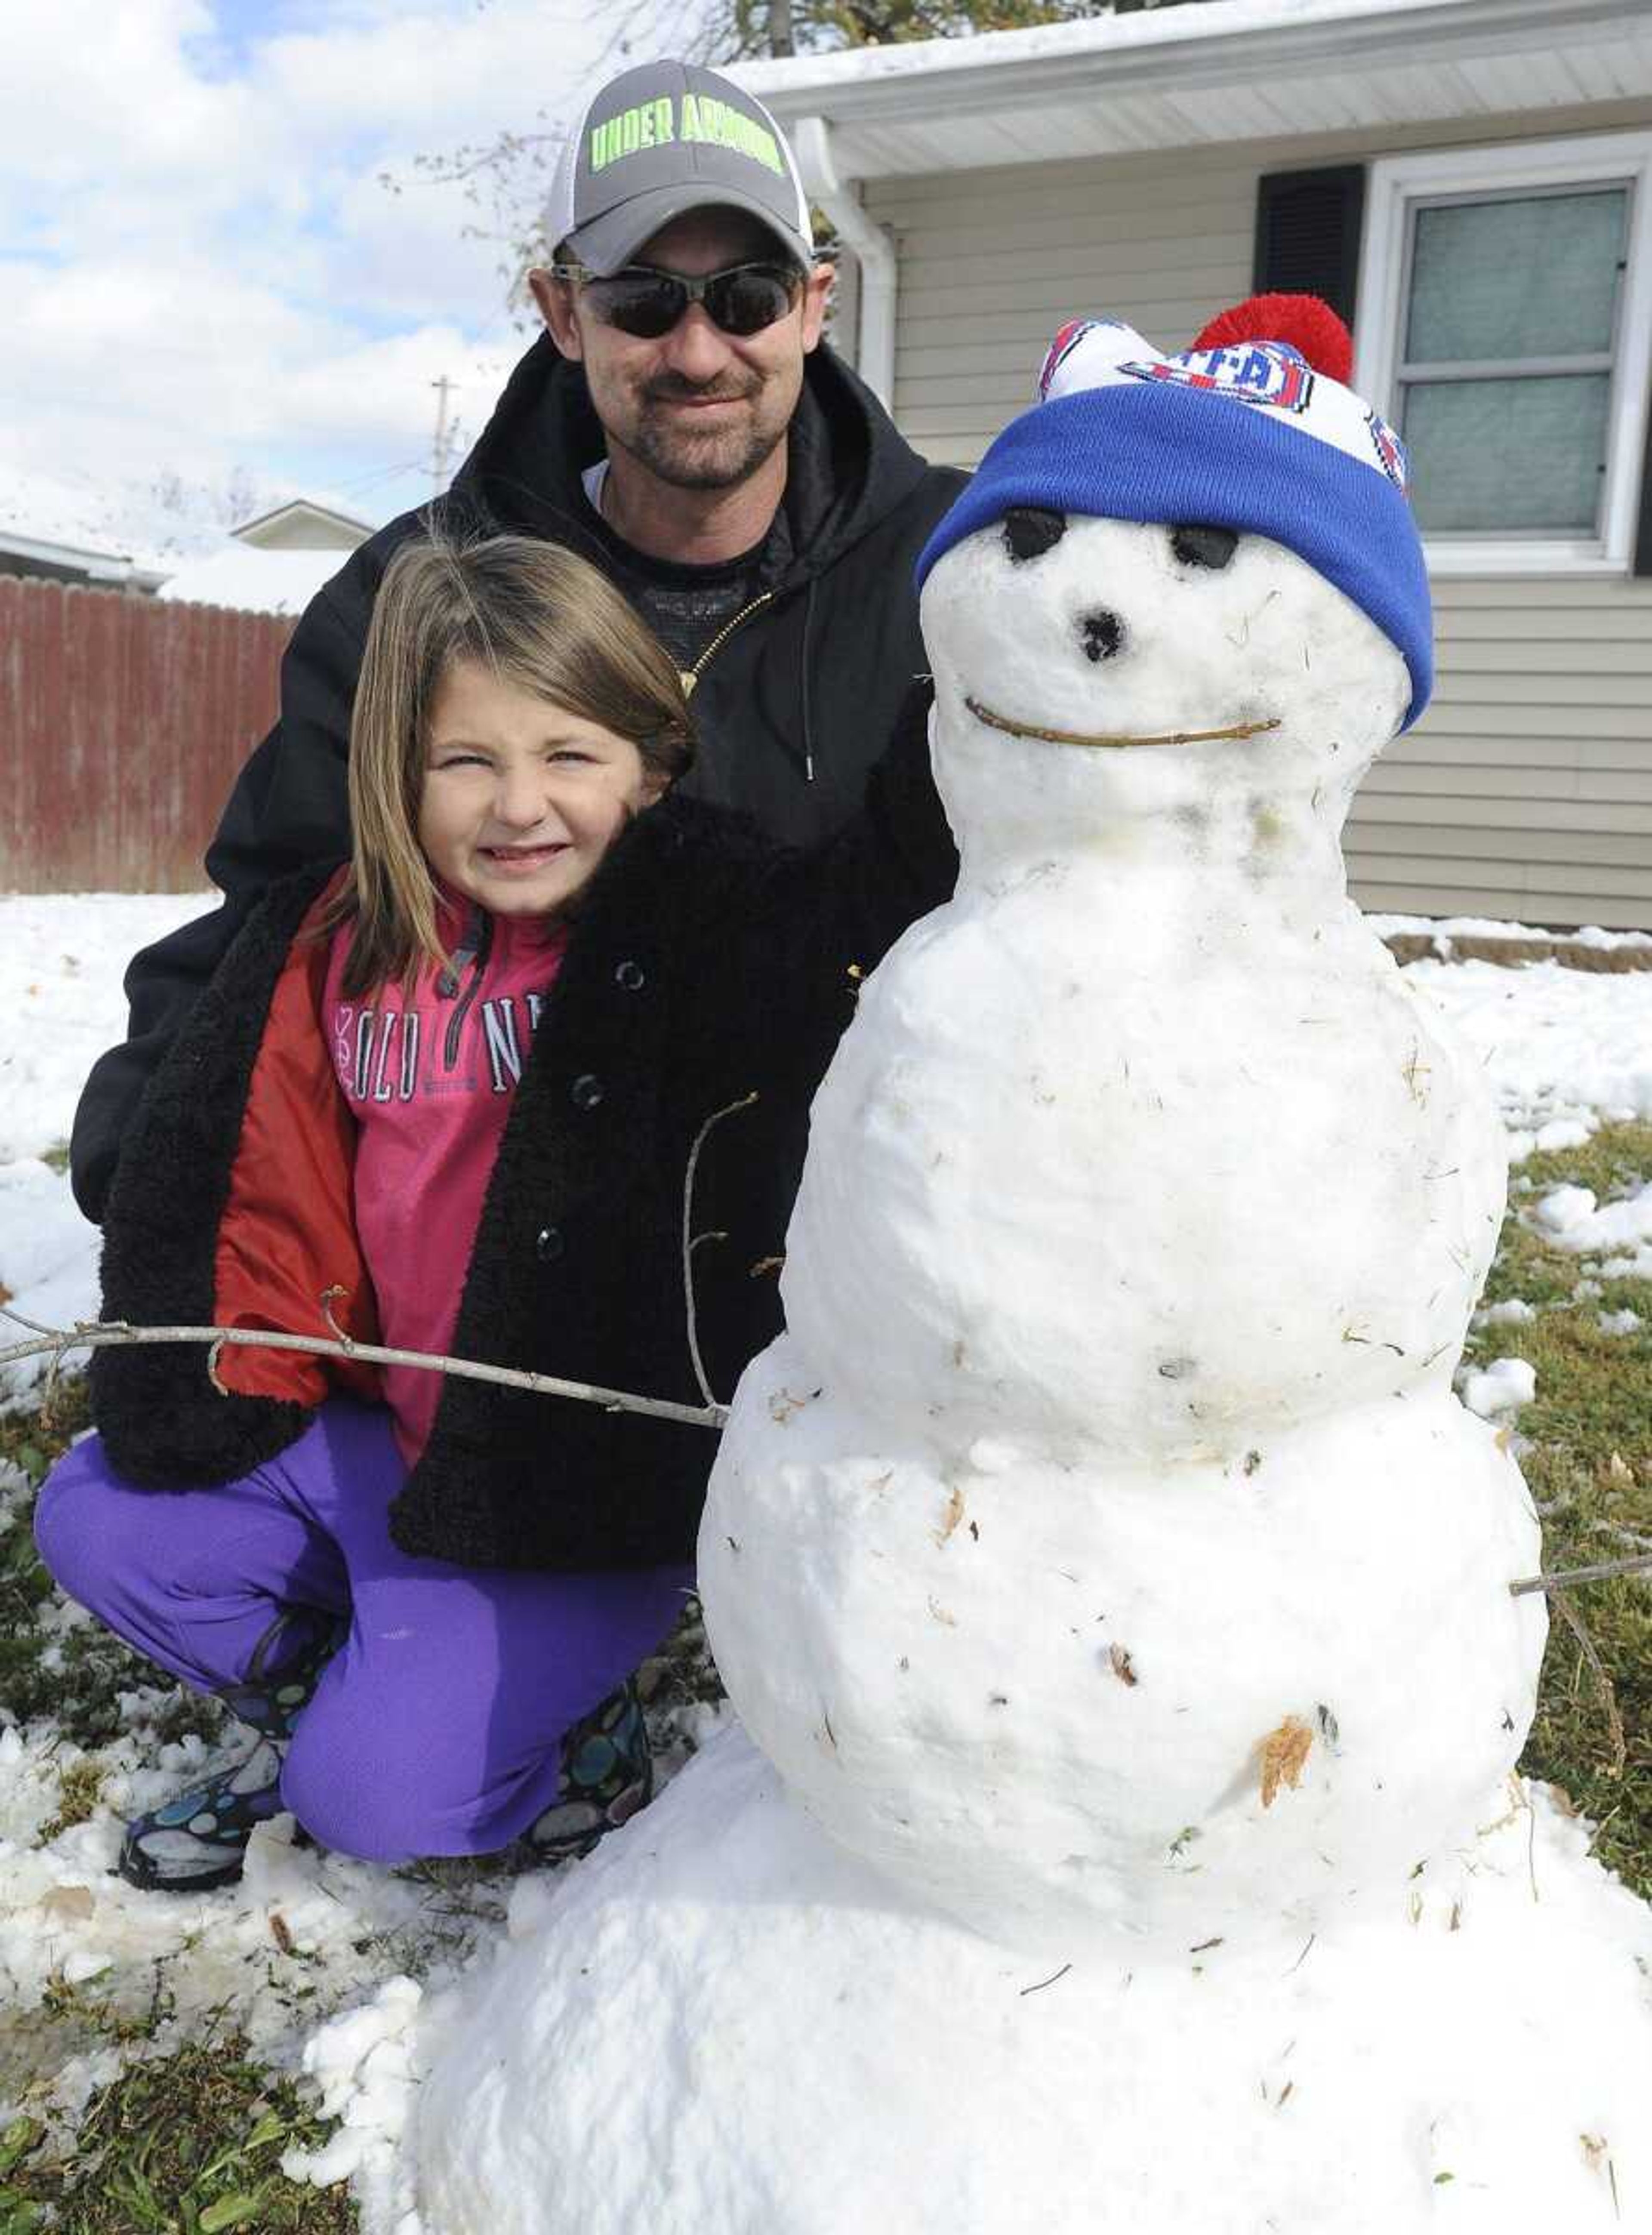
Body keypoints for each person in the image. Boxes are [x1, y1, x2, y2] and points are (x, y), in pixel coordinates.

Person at [34, 530, 954, 1894]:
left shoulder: (696, 932)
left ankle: (553, 1730)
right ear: (399, 776)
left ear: (650, 761)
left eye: (569, 755)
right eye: (468, 761)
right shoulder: (341, 947)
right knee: (100, 1514)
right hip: (395, 1442)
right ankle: (342, 1694)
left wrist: (981, 694)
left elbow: (870, 905)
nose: (520, 804)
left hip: (569, 1487)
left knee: (371, 1802)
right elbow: (242, 1159)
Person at [70, 54, 965, 1225]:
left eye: (746, 296)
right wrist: (161, 1177)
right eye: (643, 301)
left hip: (869, 1255)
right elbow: (276, 922)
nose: (698, 353)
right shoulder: (416, 594)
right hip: (524, 1275)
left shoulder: (960, 571)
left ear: (815, 303)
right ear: (560, 311)